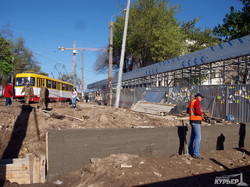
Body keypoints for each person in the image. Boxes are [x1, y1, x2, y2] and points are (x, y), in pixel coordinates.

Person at [187, 93, 204, 160]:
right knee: (198, 137)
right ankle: (196, 153)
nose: (202, 99)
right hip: (196, 121)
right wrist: (201, 114)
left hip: (192, 121)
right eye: (201, 97)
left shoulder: (192, 101)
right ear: (198, 97)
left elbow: (188, 111)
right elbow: (197, 111)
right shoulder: (196, 101)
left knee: (192, 137)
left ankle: (190, 151)